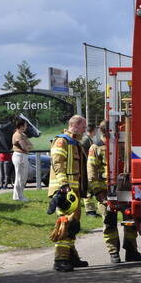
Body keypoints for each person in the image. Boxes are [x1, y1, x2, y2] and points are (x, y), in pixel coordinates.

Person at [87, 120, 141, 264]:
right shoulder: (96, 148)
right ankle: (114, 252)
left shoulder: (123, 145)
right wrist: (98, 191)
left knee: (130, 220)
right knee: (109, 222)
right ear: (106, 131)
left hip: (124, 189)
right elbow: (91, 172)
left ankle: (131, 250)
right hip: (105, 191)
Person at [49, 115, 89, 272]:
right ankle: (60, 259)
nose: (85, 129)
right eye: (83, 126)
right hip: (65, 191)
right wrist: (64, 185)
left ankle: (71, 256)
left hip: (74, 191)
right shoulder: (62, 141)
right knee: (65, 223)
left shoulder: (75, 143)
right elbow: (58, 163)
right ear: (75, 125)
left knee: (73, 225)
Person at [10, 118, 32, 201]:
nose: (26, 127)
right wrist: (27, 148)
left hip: (24, 156)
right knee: (19, 177)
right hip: (19, 156)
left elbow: (30, 145)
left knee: (24, 177)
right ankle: (18, 196)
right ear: (21, 126)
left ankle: (20, 195)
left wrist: (28, 147)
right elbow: (24, 147)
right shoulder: (17, 135)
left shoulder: (23, 135)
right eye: (25, 125)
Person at [80, 123, 99, 216]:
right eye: (96, 130)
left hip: (88, 166)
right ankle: (90, 210)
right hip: (86, 167)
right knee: (88, 189)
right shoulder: (86, 140)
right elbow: (82, 150)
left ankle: (91, 209)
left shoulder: (88, 139)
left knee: (90, 188)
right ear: (93, 130)